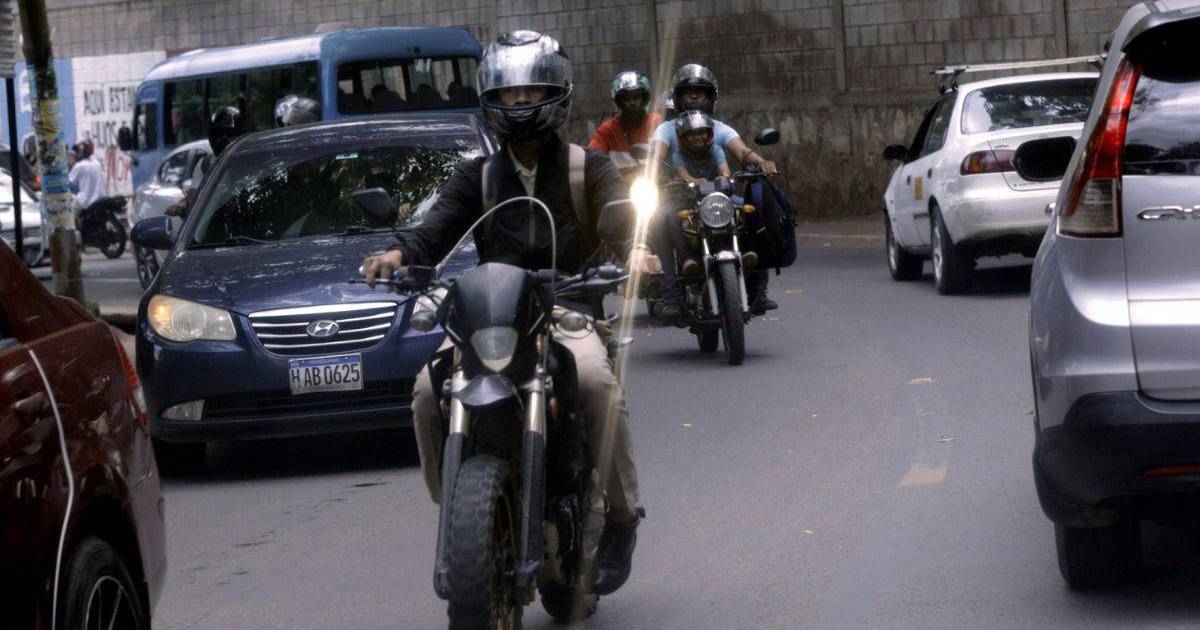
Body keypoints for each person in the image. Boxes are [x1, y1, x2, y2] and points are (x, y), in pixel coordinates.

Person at [361, 30, 644, 597]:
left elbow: (621, 213)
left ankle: (621, 517)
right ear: (492, 99)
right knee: (427, 391)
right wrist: (398, 254)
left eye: (531, 92)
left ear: (556, 95)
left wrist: (637, 246)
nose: (520, 104)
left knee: (596, 384)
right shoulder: (479, 176)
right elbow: (435, 228)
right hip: (493, 314)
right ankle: (459, 513)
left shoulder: (586, 167)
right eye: (510, 94)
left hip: (566, 308)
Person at [649, 64, 780, 320]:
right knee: (660, 219)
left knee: (753, 211)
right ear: (678, 97)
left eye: (700, 91)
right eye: (688, 92)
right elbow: (656, 157)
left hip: (721, 199)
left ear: (711, 97)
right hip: (680, 198)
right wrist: (650, 172)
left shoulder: (719, 129)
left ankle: (758, 287)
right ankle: (670, 295)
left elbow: (742, 152)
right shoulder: (666, 130)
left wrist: (762, 163)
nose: (694, 96)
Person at [165, 106, 245, 217]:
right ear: (211, 137)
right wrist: (182, 205)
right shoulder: (205, 165)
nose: (224, 138)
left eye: (229, 133)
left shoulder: (252, 161)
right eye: (218, 134)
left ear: (240, 135)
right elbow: (194, 196)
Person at [587, 71, 661, 182]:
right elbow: (591, 160)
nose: (632, 103)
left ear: (644, 99)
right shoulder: (608, 130)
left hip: (657, 185)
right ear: (619, 102)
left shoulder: (657, 123)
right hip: (619, 187)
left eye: (636, 98)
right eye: (627, 99)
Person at [69, 139, 105, 211]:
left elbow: (66, 183)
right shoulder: (97, 163)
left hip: (86, 202)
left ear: (82, 150)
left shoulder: (79, 166)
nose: (75, 153)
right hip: (101, 200)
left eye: (77, 151)